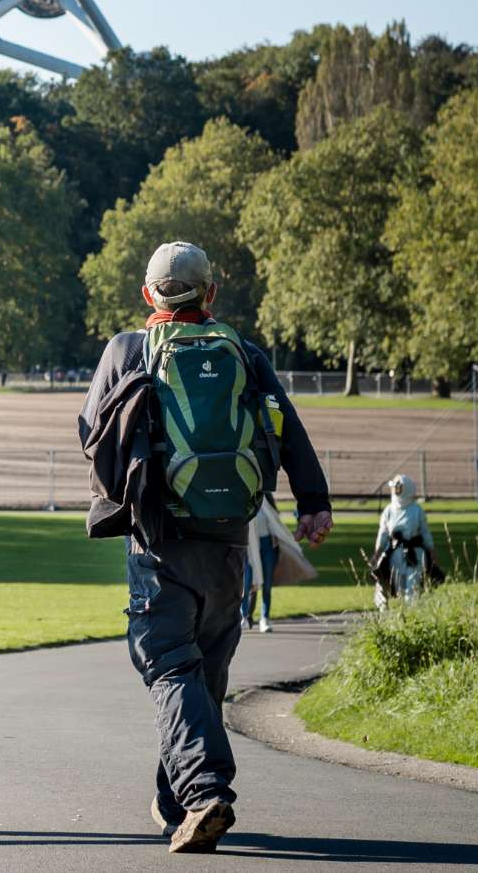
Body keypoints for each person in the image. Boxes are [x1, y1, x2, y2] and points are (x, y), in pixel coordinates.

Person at [78, 241, 331, 854]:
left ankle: (204, 792)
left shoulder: (127, 350)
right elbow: (287, 427)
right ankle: (176, 806)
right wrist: (313, 501)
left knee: (169, 665)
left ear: (148, 295)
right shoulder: (244, 351)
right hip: (228, 541)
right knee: (204, 674)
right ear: (210, 293)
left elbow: (90, 432)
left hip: (159, 540)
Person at [370, 473, 440, 609]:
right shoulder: (389, 510)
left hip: (413, 555)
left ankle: (412, 613)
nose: (396, 491)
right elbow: (383, 533)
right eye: (395, 488)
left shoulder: (416, 510)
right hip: (394, 554)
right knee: (386, 581)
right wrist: (377, 553)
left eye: (399, 488)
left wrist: (432, 552)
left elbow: (425, 532)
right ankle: (386, 611)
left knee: (412, 585)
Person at [242, 494, 285, 632]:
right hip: (250, 549)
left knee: (267, 585)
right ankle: (243, 617)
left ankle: (264, 619)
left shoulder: (267, 504)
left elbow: (276, 525)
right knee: (246, 584)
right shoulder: (246, 502)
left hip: (267, 547)